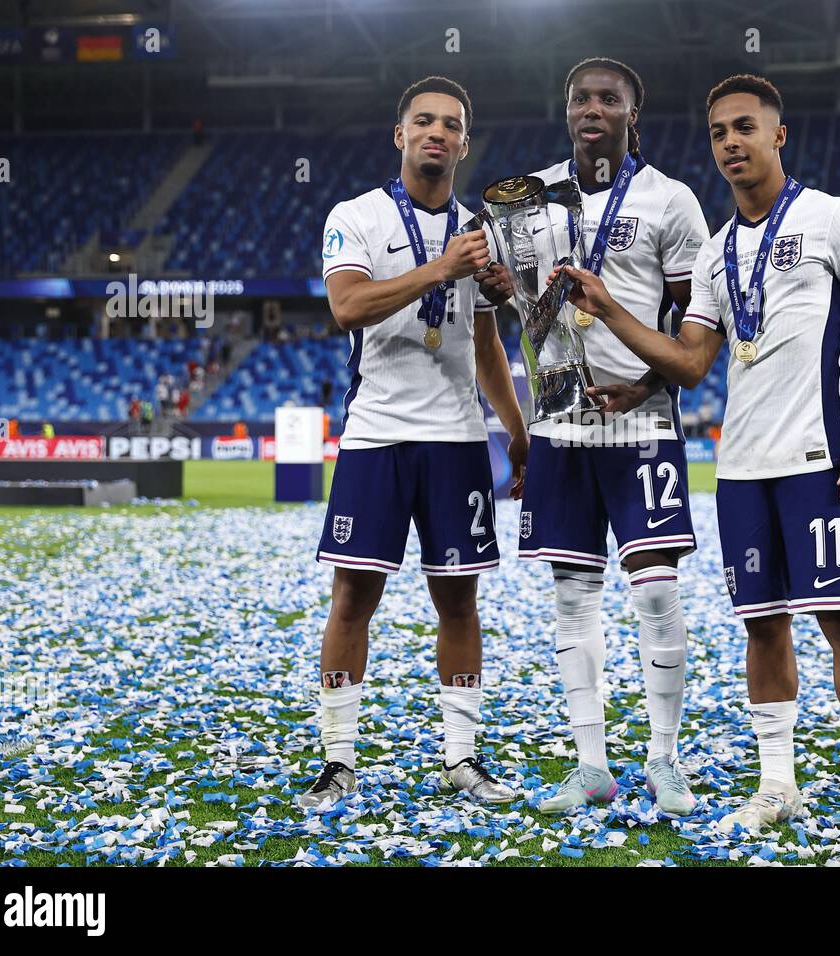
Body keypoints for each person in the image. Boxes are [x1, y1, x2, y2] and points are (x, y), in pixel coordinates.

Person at [550, 74, 840, 855]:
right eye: (718, 133)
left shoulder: (831, 219)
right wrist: (614, 318)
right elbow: (690, 362)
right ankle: (778, 784)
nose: (731, 143)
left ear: (778, 135)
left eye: (746, 127)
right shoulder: (715, 251)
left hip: (819, 459)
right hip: (741, 470)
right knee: (763, 629)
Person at [300, 76, 527, 809]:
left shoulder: (483, 232)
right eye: (423, 121)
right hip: (377, 436)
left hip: (458, 440)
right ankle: (338, 761)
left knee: (458, 604)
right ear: (399, 135)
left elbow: (488, 344)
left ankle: (461, 759)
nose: (437, 132)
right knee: (352, 598)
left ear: (465, 143)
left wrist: (516, 430)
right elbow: (347, 305)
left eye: (451, 124)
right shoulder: (356, 216)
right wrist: (440, 269)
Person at [519, 57, 710, 816]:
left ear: (636, 111)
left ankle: (664, 757)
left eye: (608, 98)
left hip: (642, 424)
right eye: (579, 99)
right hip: (561, 428)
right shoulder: (528, 202)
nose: (592, 108)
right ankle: (591, 763)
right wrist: (511, 294)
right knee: (574, 597)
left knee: (657, 593)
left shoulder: (672, 201)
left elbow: (700, 327)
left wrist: (649, 384)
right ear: (566, 112)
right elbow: (528, 316)